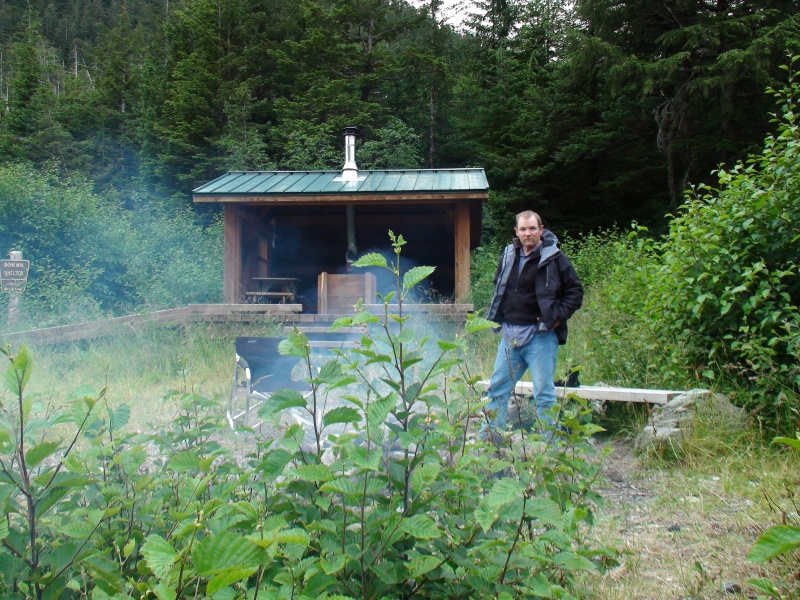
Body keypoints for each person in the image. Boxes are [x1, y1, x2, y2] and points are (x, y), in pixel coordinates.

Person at [482, 210, 583, 438]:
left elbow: (575, 292)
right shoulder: (508, 254)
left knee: (544, 395)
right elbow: (498, 283)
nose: (528, 234)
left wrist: (557, 318)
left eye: (533, 229)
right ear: (516, 232)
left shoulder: (555, 258)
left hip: (540, 336)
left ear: (541, 230)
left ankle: (550, 451)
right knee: (497, 390)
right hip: (510, 336)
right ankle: (487, 444)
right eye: (524, 229)